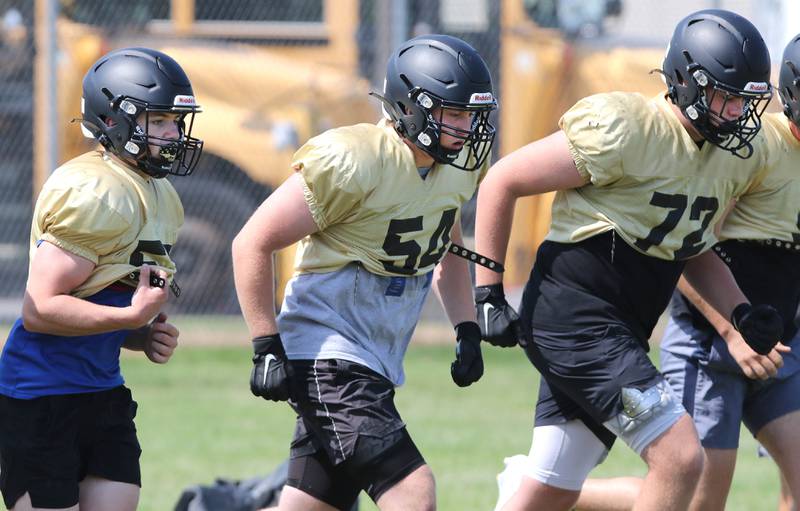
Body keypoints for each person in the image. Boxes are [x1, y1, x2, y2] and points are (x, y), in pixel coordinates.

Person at [473, 9, 781, 511]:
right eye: (725, 97)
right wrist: (487, 291)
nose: (735, 114)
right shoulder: (628, 127)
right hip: (576, 319)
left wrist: (740, 313)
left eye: (744, 101)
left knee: (553, 482)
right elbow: (502, 180)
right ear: (684, 81)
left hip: (620, 324)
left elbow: (690, 244)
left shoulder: (729, 156)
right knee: (680, 457)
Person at [231, 34, 496, 511]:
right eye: (453, 113)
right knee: (413, 491)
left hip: (373, 357)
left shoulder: (457, 167)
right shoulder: (355, 158)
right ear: (410, 108)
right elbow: (252, 241)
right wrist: (264, 344)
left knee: (309, 505)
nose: (466, 127)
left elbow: (448, 242)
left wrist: (466, 326)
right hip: (326, 353)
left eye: (472, 115)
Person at [0, 47, 203, 511]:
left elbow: (103, 297)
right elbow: (40, 310)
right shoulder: (95, 190)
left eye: (176, 121)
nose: (173, 134)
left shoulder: (161, 195)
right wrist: (131, 314)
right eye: (159, 122)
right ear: (116, 121)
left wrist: (140, 334)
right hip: (40, 395)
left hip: (101, 389)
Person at [655, 32, 800, 511]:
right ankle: (560, 496)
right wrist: (731, 332)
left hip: (780, 346)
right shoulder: (754, 148)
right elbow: (681, 242)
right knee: (696, 502)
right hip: (711, 346)